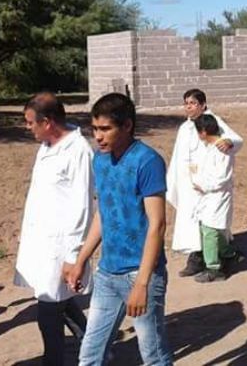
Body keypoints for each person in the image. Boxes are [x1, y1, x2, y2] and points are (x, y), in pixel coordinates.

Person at [65, 93, 173, 365]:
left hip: (141, 273)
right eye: (94, 129)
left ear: (127, 126)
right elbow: (105, 213)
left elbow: (157, 225)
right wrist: (81, 260)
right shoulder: (100, 161)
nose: (98, 137)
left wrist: (142, 284)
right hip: (107, 274)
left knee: (154, 355)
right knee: (90, 355)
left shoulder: (147, 161)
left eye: (105, 129)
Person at [14, 92, 93, 365]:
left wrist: (74, 256)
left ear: (47, 122)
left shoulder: (79, 151)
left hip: (61, 246)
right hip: (42, 242)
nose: (27, 128)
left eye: (30, 122)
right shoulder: (46, 145)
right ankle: (97, 348)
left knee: (48, 312)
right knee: (60, 301)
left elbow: (83, 207)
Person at [167, 88, 242, 278]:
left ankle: (210, 261)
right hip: (189, 183)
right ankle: (197, 257)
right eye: (186, 103)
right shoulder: (185, 127)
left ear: (202, 105)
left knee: (208, 224)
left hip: (209, 185)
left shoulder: (211, 122)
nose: (188, 107)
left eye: (192, 103)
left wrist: (229, 142)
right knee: (193, 222)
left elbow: (233, 139)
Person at [189, 114, 239, 283]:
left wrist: (203, 186)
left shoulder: (222, 149)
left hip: (217, 195)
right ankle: (228, 253)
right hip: (207, 196)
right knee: (214, 228)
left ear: (203, 132)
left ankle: (214, 268)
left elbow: (221, 177)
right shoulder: (209, 147)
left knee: (210, 230)